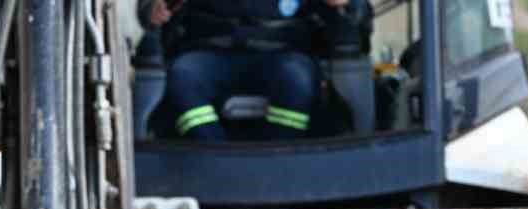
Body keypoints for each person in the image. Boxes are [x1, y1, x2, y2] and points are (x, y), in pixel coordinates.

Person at [149, 0, 366, 141]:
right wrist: (153, 9)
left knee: (297, 82)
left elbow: (359, 15)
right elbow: (151, 10)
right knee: (182, 78)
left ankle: (275, 162)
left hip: (285, 55)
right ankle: (217, 160)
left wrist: (347, 5)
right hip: (208, 52)